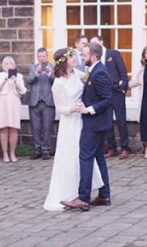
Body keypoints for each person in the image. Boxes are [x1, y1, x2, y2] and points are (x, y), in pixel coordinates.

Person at [43, 48, 103, 211]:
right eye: (71, 57)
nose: (75, 59)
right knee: (70, 155)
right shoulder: (58, 83)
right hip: (69, 122)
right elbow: (59, 108)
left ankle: (82, 191)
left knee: (83, 156)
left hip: (83, 119)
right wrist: (72, 108)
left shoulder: (78, 74)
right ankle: (68, 193)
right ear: (64, 61)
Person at [60, 41, 113, 211]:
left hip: (95, 123)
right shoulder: (94, 70)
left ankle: (83, 198)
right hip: (97, 123)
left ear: (94, 57)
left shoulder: (99, 72)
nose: (82, 58)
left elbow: (108, 99)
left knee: (85, 158)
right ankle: (104, 195)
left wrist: (88, 109)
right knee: (98, 157)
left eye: (84, 55)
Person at [89, 35, 131, 160]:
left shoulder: (113, 53)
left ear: (101, 42)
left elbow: (123, 72)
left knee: (121, 121)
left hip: (117, 93)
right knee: (107, 122)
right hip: (104, 95)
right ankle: (112, 148)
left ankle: (125, 148)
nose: (93, 45)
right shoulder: (94, 58)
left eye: (95, 42)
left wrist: (123, 88)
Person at [0, 56, 26, 162]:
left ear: (14, 65)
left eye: (11, 64)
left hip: (14, 102)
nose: (8, 66)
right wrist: (4, 81)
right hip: (2, 102)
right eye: (6, 64)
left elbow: (23, 91)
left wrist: (16, 82)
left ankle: (12, 153)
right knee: (3, 128)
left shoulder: (18, 76)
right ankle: (5, 154)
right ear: (3, 66)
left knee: (13, 128)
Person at [26, 47, 55, 160]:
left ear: (47, 56)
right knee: (36, 128)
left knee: (47, 128)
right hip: (35, 102)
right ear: (37, 57)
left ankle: (46, 150)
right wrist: (36, 73)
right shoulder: (32, 67)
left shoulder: (52, 67)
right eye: (39, 56)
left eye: (43, 56)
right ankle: (36, 149)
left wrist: (49, 72)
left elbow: (56, 81)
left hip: (48, 102)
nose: (41, 58)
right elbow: (29, 80)